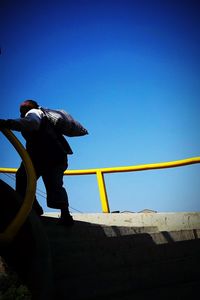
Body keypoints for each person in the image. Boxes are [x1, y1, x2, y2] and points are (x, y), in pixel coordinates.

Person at [0, 100, 74, 226]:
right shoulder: (41, 115)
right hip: (47, 157)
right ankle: (35, 208)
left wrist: (6, 123)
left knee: (49, 184)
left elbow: (31, 123)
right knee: (26, 178)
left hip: (49, 157)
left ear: (31, 107)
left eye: (24, 107)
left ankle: (63, 214)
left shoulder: (34, 113)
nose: (22, 110)